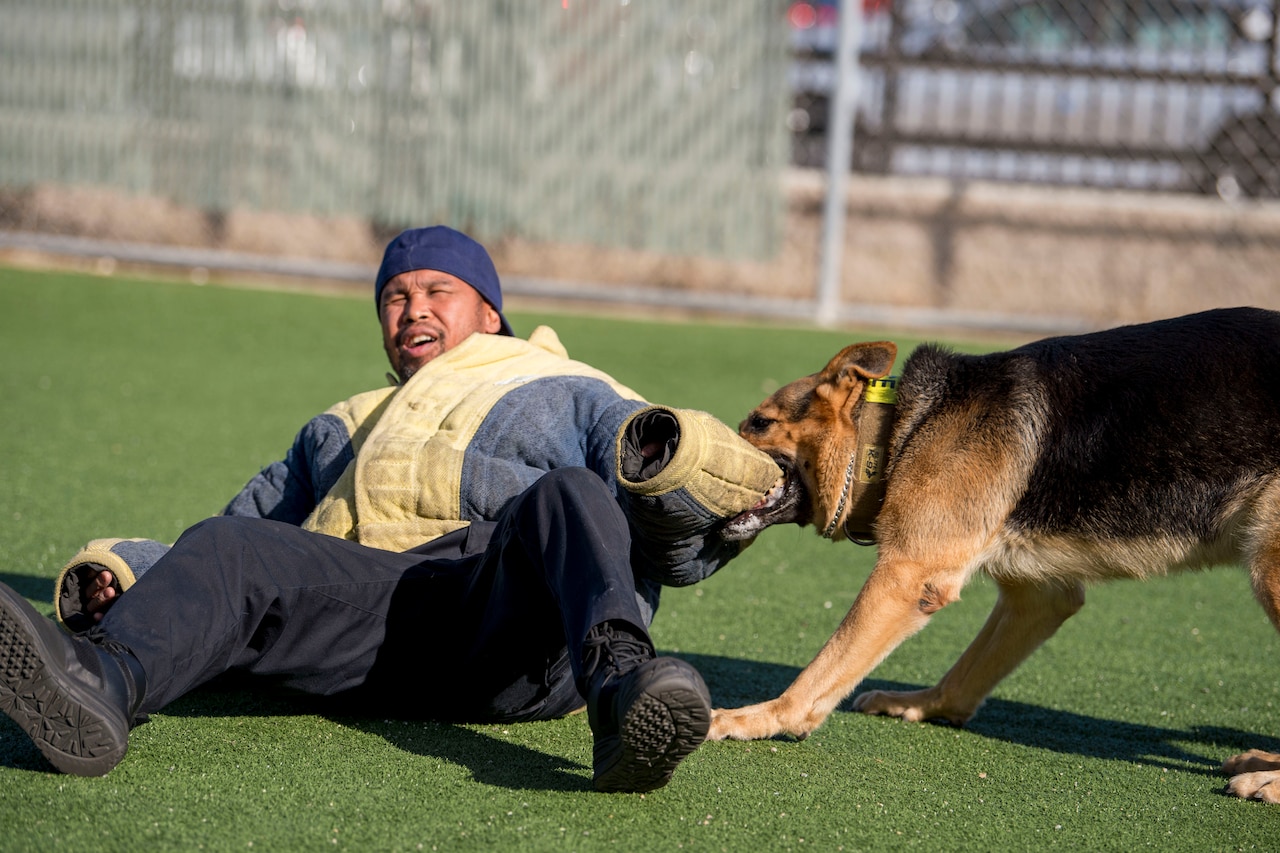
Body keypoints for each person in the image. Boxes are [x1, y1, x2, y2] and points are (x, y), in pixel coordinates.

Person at [0, 226, 780, 793]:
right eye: (396, 297)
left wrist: (705, 467)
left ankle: (620, 695)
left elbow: (658, 474)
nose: (414, 307)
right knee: (231, 542)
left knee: (569, 492)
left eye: (439, 291)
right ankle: (100, 681)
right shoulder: (339, 423)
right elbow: (243, 526)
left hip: (511, 616)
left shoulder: (563, 381)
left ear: (488, 315)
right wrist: (124, 572)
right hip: (374, 626)